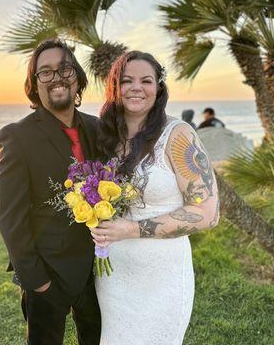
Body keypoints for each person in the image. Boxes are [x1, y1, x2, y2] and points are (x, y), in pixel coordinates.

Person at [90, 51, 219, 344]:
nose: (137, 87)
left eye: (146, 80)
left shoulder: (178, 136)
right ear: (114, 87)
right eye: (127, 80)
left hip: (163, 277)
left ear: (158, 88)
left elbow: (209, 212)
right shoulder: (107, 137)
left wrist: (131, 229)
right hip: (114, 276)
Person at [0, 39, 101, 344]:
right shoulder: (17, 135)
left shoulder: (97, 128)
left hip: (97, 273)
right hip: (48, 274)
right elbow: (10, 217)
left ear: (77, 77)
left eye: (65, 68)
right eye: (45, 72)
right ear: (34, 84)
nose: (57, 77)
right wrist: (37, 282)